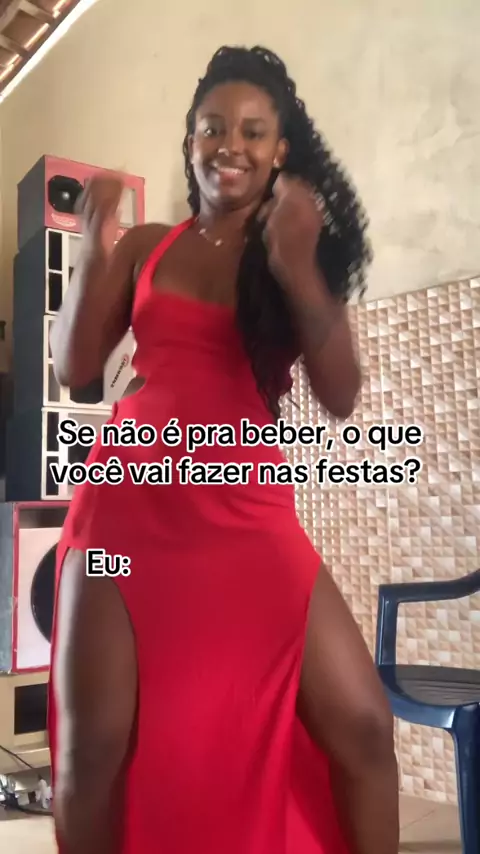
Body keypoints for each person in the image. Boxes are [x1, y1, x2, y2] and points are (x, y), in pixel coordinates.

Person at [48, 45, 399, 854]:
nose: (229, 145)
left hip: (247, 516)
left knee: (361, 723)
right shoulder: (148, 248)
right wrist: (94, 246)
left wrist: (301, 272)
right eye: (213, 128)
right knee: (92, 749)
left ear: (280, 149)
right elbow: (74, 367)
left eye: (251, 130)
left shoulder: (293, 250)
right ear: (191, 140)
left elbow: (342, 395)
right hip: (125, 515)